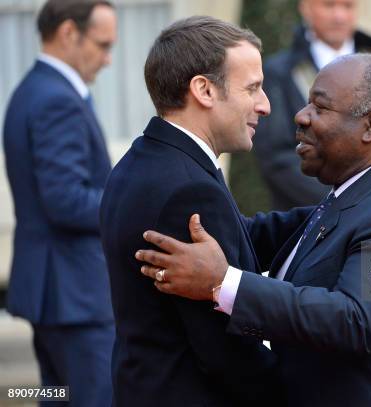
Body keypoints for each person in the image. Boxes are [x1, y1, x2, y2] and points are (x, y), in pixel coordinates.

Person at [137, 53, 371, 407]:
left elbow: (355, 321)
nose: (301, 116)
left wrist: (223, 283)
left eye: (320, 108)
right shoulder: (357, 194)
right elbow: (264, 234)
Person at [99, 16, 310, 406]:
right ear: (204, 90)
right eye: (253, 88)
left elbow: (240, 237)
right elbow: (227, 351)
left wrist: (330, 213)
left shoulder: (145, 159)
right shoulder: (186, 186)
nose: (264, 105)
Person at [2, 1, 116, 405]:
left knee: (57, 396)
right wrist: (129, 203)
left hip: (57, 293)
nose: (107, 59)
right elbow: (65, 200)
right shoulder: (57, 98)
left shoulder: (33, 89)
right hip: (76, 295)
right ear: (69, 32)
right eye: (102, 45)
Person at [253, 0, 371, 210]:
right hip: (302, 216)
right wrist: (340, 202)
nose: (339, 16)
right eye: (329, 5)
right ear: (305, 7)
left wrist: (370, 200)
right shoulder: (280, 72)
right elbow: (276, 158)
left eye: (347, 6)